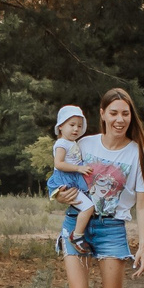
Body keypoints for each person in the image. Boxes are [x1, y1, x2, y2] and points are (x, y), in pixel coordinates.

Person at [58, 88, 144, 288]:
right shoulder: (83, 145)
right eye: (113, 113)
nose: (119, 119)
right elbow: (62, 175)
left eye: (125, 114)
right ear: (102, 115)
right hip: (77, 224)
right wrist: (61, 195)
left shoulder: (139, 153)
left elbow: (143, 202)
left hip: (112, 227)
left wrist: (143, 244)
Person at [46, 106, 100, 257]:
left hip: (74, 178)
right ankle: (76, 236)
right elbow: (59, 164)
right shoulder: (62, 144)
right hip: (67, 180)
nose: (76, 129)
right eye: (72, 125)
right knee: (88, 207)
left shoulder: (72, 143)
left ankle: (66, 236)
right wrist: (78, 168)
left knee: (90, 201)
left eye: (79, 125)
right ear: (61, 126)